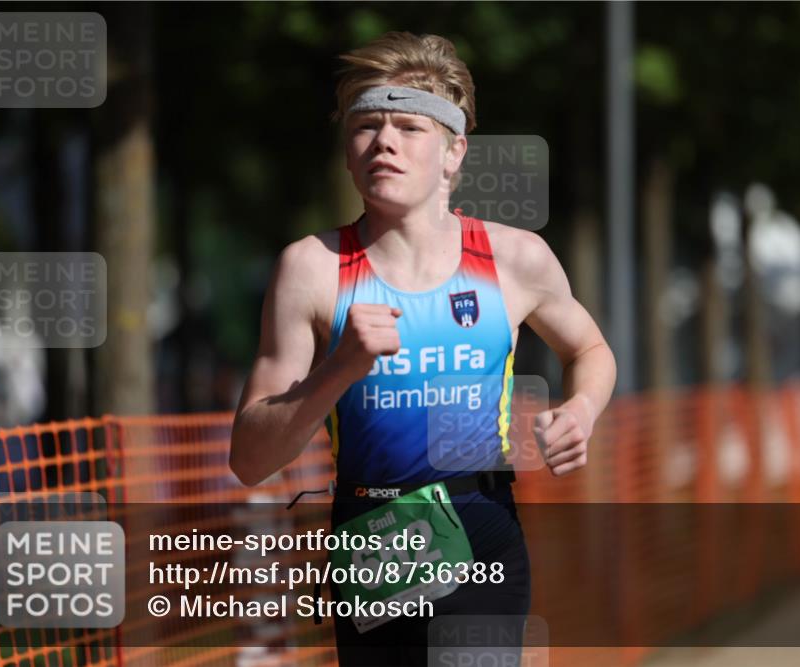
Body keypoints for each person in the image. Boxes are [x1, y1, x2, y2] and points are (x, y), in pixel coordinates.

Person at [230, 31, 616, 666]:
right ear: (348, 154)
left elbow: (591, 348)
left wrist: (581, 411)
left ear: (453, 151)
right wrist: (339, 369)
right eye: (366, 127)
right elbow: (249, 457)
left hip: (480, 523)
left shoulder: (515, 258)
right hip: (370, 535)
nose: (384, 141)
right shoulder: (311, 269)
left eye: (409, 126)